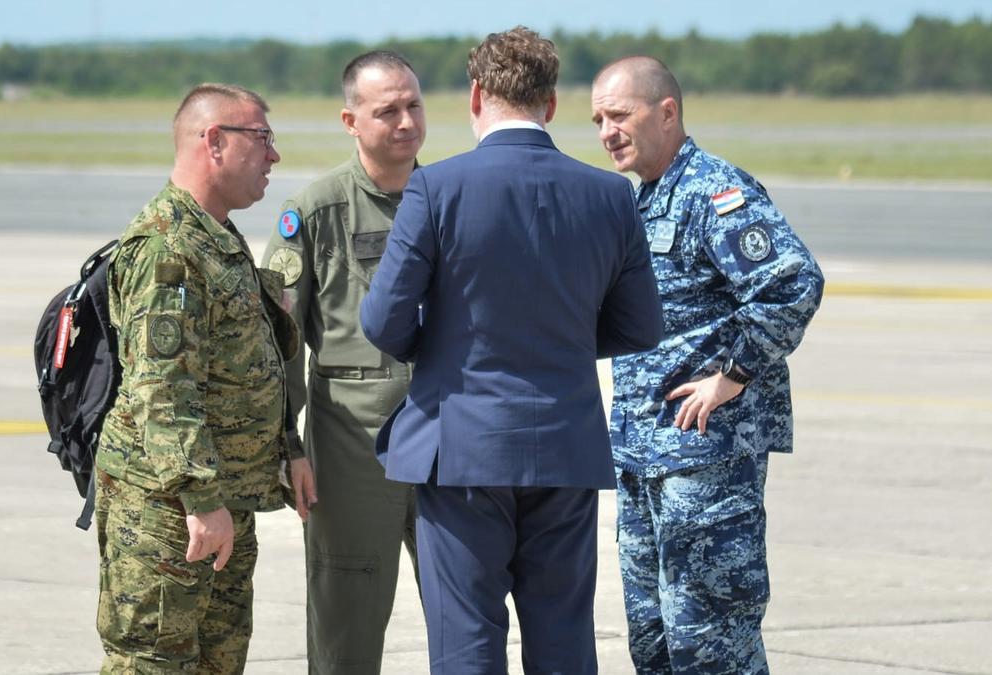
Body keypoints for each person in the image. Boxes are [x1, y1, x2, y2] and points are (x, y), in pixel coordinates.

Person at [360, 28, 663, 674]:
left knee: (467, 640)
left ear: (476, 95)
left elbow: (382, 321)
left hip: (463, 445)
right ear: (551, 103)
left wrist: (442, 346)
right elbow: (641, 325)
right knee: (563, 643)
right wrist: (569, 338)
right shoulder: (610, 195)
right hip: (566, 443)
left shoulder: (436, 188)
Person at [590, 56, 825, 673]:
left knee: (711, 641)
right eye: (597, 120)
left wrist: (733, 375)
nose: (607, 132)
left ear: (666, 112)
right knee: (655, 642)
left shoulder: (714, 192)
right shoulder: (642, 202)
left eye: (619, 115)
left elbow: (792, 284)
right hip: (645, 456)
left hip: (707, 460)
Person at [92, 83, 317, 675]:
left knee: (218, 665)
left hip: (223, 502)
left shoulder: (216, 239)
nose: (274, 155)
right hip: (171, 513)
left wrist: (286, 450)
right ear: (214, 142)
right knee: (153, 665)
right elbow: (162, 389)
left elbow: (248, 365)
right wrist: (200, 498)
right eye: (262, 138)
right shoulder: (169, 248)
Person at [260, 50, 425, 675]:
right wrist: (290, 448)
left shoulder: (452, 201)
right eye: (387, 111)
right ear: (351, 120)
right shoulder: (315, 212)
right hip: (353, 444)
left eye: (413, 105)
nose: (406, 122)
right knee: (346, 620)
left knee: (468, 614)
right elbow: (277, 344)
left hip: (447, 435)